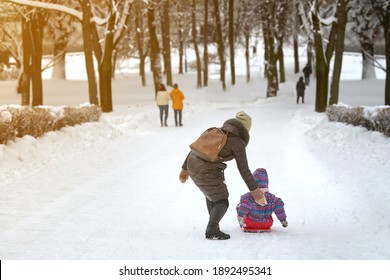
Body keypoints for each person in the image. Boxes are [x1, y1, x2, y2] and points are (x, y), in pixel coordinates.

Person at [178, 111, 267, 240]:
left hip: (193, 162)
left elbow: (197, 147)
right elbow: (244, 169)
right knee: (222, 200)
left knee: (213, 196)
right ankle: (212, 229)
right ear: (246, 129)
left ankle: (214, 225)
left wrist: (185, 168)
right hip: (205, 169)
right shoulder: (238, 142)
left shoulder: (218, 131)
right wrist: (255, 191)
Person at [236, 168, 288, 232]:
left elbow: (245, 205)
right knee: (274, 205)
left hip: (249, 223)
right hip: (267, 224)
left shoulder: (248, 196)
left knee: (239, 206)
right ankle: (264, 225)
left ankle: (241, 219)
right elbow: (279, 207)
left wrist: (240, 216)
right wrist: (283, 220)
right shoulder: (273, 198)